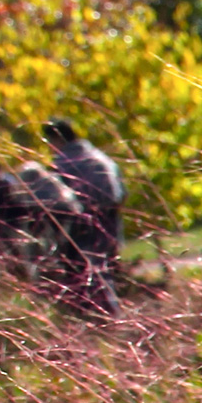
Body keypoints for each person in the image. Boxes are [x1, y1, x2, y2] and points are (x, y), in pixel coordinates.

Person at [45, 118, 125, 314]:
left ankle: (105, 318)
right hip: (111, 223)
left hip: (83, 228)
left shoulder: (62, 164)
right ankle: (112, 315)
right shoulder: (99, 156)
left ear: (55, 139)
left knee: (91, 279)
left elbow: (59, 202)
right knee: (105, 274)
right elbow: (120, 192)